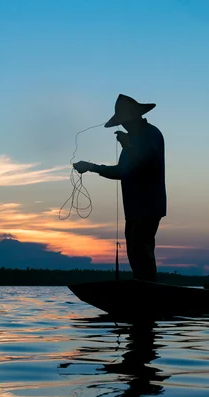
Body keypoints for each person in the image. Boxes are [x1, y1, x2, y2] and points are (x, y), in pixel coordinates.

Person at [73, 94, 167, 282]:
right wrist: (91, 167)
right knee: (135, 251)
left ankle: (148, 290)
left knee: (142, 250)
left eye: (125, 121)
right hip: (133, 209)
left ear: (135, 117)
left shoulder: (151, 134)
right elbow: (123, 171)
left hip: (148, 206)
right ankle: (144, 288)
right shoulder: (131, 141)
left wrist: (129, 145)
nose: (124, 126)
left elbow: (148, 162)